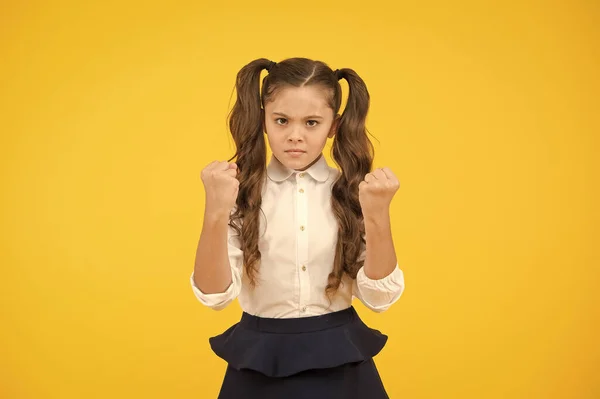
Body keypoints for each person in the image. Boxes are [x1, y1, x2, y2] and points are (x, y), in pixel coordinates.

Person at [190, 57, 406, 399]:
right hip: (260, 360)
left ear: (333, 126)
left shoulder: (354, 192)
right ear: (264, 119)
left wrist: (378, 214)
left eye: (311, 122)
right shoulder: (239, 193)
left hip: (343, 360)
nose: (295, 136)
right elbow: (214, 296)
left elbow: (380, 298)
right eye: (281, 120)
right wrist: (215, 211)